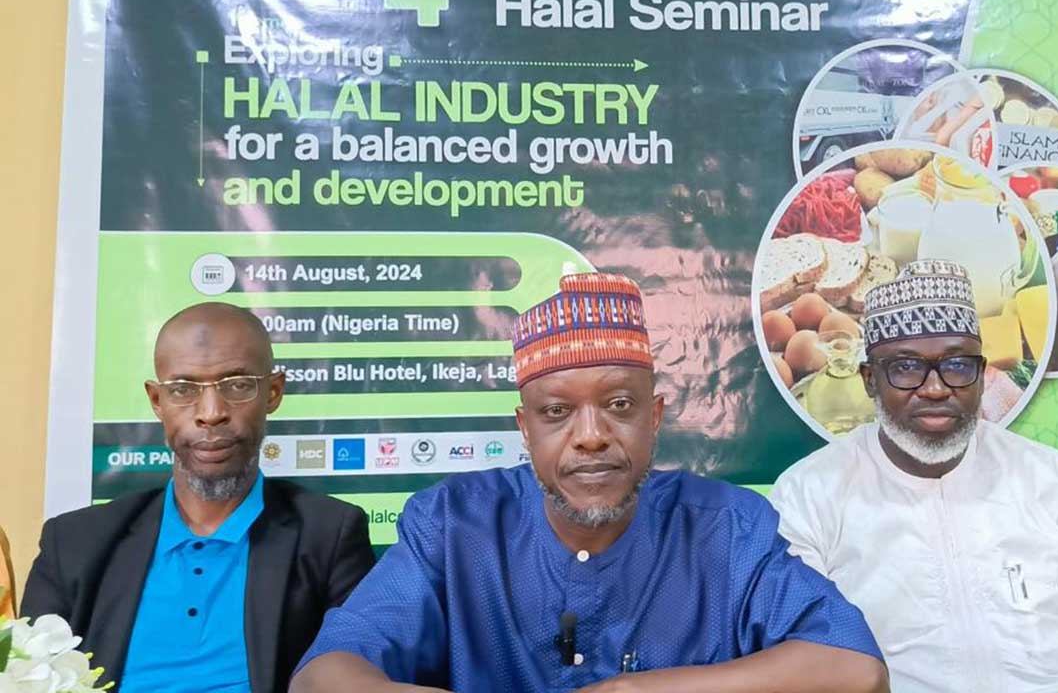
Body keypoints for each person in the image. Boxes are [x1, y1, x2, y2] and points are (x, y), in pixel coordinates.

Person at [292, 272, 888, 693]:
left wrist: (637, 691)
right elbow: (323, 676)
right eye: (557, 413)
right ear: (525, 428)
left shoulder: (726, 529)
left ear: (654, 417)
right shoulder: (454, 526)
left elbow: (856, 671)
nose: (592, 437)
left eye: (619, 405)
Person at [769, 260, 1058, 693]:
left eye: (957, 365)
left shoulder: (1054, 480)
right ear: (870, 380)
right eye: (906, 367)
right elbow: (798, 667)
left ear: (983, 376)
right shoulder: (810, 495)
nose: (935, 388)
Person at [23, 302, 375, 692]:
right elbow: (30, 678)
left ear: (273, 392)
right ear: (157, 401)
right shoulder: (74, 543)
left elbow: (358, 671)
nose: (211, 412)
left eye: (237, 385)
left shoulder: (328, 535)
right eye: (183, 389)